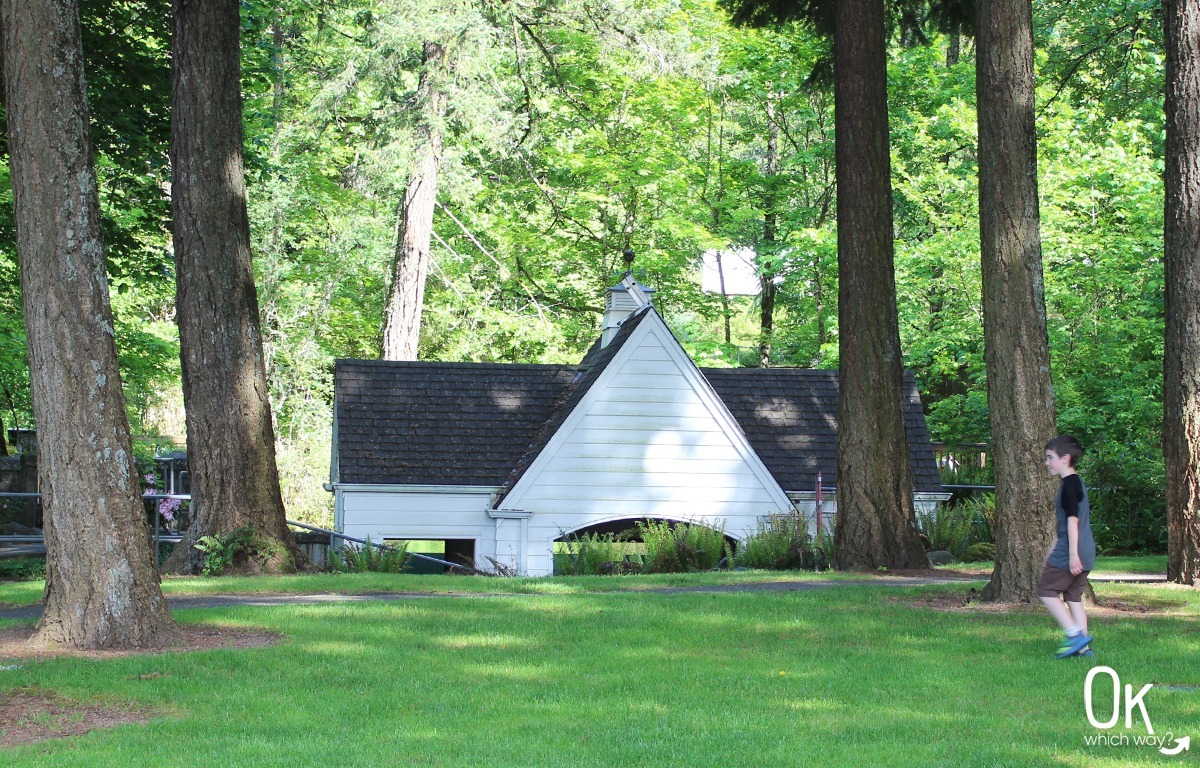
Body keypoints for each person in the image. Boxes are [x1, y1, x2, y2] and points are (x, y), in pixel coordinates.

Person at [1038, 435, 1096, 659]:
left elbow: (1073, 521)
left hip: (1072, 551)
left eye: (1050, 458)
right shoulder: (1076, 483)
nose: (1047, 463)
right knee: (1073, 598)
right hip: (1086, 550)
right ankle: (1084, 650)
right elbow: (1064, 524)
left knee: (1046, 591)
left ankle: (1074, 636)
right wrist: (1052, 549)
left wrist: (1072, 555)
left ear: (1065, 459)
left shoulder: (1069, 486)